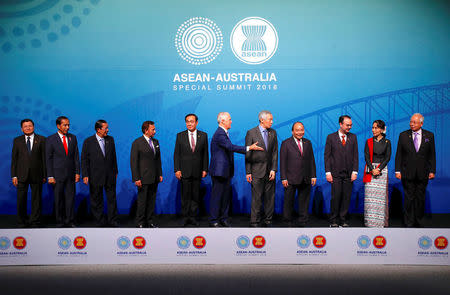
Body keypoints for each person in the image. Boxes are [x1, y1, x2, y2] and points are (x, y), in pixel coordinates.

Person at [209, 112, 263, 227]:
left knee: (225, 197)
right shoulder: (219, 134)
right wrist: (250, 147)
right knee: (217, 196)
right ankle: (214, 220)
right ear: (222, 121)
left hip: (225, 171)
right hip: (219, 171)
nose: (231, 121)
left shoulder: (224, 133)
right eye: (229, 119)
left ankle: (223, 218)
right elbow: (231, 147)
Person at [395, 113, 436, 227]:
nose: (411, 124)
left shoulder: (430, 135)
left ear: (421, 123)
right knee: (408, 198)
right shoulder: (403, 135)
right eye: (411, 122)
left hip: (423, 173)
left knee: (420, 198)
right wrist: (397, 171)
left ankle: (419, 221)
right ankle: (409, 222)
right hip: (407, 172)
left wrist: (432, 170)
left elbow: (432, 154)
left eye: (414, 122)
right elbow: (399, 154)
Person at [81, 119, 119, 227]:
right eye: (105, 128)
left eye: (107, 127)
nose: (107, 130)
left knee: (112, 199)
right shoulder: (88, 141)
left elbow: (113, 157)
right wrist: (85, 175)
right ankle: (99, 221)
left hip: (110, 175)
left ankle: (112, 220)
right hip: (95, 176)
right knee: (96, 199)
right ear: (98, 129)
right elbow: (84, 159)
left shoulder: (110, 140)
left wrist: (115, 171)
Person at [174, 114, 208, 227]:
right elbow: (176, 154)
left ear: (196, 122)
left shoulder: (203, 136)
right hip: (184, 171)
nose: (189, 123)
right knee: (185, 196)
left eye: (192, 121)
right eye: (187, 121)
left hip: (198, 171)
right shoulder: (180, 136)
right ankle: (185, 217)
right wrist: (177, 169)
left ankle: (193, 217)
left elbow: (205, 154)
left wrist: (205, 169)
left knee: (195, 196)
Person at [11, 119, 46, 228]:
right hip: (21, 175)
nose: (28, 128)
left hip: (37, 174)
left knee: (36, 199)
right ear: (22, 129)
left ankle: (35, 221)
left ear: (33, 127)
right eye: (25, 126)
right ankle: (22, 221)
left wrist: (45, 174)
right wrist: (14, 175)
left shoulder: (42, 139)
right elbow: (14, 159)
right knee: (21, 199)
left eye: (30, 126)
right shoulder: (17, 140)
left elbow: (44, 159)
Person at [245, 111, 278, 227]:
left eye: (272, 119)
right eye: (270, 119)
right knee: (257, 198)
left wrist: (273, 169)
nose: (272, 121)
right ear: (262, 120)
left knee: (270, 197)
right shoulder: (251, 133)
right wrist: (248, 171)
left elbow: (274, 152)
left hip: (269, 171)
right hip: (256, 171)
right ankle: (254, 221)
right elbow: (248, 153)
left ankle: (268, 220)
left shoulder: (273, 133)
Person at [46, 116, 80, 227]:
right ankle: (59, 221)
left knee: (70, 198)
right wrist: (50, 175)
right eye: (65, 125)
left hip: (70, 174)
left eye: (68, 125)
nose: (67, 127)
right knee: (58, 198)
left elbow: (76, 156)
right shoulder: (51, 139)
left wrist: (77, 172)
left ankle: (70, 220)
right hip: (57, 175)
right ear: (58, 126)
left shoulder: (73, 138)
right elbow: (48, 158)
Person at [324, 115, 358, 227]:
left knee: (346, 197)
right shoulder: (331, 137)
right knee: (336, 197)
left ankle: (343, 219)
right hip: (335, 174)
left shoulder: (353, 137)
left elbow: (355, 156)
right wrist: (328, 172)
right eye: (347, 125)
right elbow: (327, 156)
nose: (349, 127)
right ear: (340, 124)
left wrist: (355, 171)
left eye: (351, 125)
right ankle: (334, 220)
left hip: (349, 174)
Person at [280, 122, 316, 227]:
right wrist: (284, 178)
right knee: (288, 201)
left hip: (306, 177)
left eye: (302, 130)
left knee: (304, 200)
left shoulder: (308, 143)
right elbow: (283, 162)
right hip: (290, 178)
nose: (300, 132)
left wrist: (313, 175)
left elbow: (311, 160)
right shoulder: (286, 143)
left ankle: (303, 220)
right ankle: (287, 220)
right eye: (297, 130)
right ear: (292, 131)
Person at [130, 121, 163, 228]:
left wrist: (160, 174)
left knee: (151, 201)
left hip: (154, 177)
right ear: (146, 130)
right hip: (143, 178)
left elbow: (158, 160)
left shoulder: (156, 141)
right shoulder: (137, 142)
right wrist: (136, 178)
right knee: (142, 201)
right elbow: (133, 162)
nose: (155, 131)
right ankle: (140, 222)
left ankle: (149, 221)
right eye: (153, 129)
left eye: (154, 129)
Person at [363, 120, 391, 227]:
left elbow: (387, 157)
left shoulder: (387, 142)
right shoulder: (369, 141)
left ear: (382, 129)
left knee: (380, 198)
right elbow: (366, 156)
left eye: (376, 128)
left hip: (382, 170)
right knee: (370, 197)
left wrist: (379, 169)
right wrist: (372, 169)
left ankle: (380, 222)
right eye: (373, 128)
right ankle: (370, 222)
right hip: (370, 170)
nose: (374, 130)